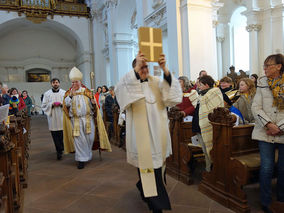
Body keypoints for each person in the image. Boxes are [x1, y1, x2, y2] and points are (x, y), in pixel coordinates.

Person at [115, 51, 182, 213]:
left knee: (156, 168)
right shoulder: (129, 83)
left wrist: (165, 69)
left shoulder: (157, 82)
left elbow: (172, 97)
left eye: (146, 67)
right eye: (141, 67)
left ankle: (143, 187)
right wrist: (136, 68)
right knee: (147, 168)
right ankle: (156, 205)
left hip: (158, 134)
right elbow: (120, 91)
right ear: (135, 69)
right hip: (140, 137)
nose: (144, 70)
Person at [251, 54, 284, 213]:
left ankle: (281, 200)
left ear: (279, 66)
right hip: (265, 132)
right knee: (267, 168)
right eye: (263, 66)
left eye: (268, 66)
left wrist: (280, 127)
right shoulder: (262, 83)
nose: (264, 69)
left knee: (283, 168)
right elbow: (255, 107)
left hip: (283, 131)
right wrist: (269, 124)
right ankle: (266, 202)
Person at [63, 67, 111, 169]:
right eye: (73, 82)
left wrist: (94, 103)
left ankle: (87, 155)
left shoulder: (87, 91)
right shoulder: (69, 93)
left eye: (76, 82)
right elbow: (65, 105)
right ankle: (81, 159)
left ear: (80, 82)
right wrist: (70, 96)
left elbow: (95, 107)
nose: (74, 84)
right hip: (76, 120)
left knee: (89, 138)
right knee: (79, 140)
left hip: (88, 119)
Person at [192, 75, 224, 171]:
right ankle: (208, 170)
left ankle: (212, 171)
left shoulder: (214, 93)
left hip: (208, 126)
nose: (198, 87)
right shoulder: (201, 95)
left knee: (211, 151)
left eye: (200, 85)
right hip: (199, 126)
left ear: (206, 85)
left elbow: (215, 110)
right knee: (205, 151)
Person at [41, 78, 66, 160]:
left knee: (61, 134)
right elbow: (44, 105)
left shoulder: (64, 92)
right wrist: (51, 104)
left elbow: (68, 103)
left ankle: (61, 148)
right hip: (52, 116)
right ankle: (58, 151)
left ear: (59, 83)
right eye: (53, 82)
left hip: (61, 115)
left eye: (57, 82)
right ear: (51, 84)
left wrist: (62, 104)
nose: (55, 84)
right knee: (54, 134)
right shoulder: (47, 93)